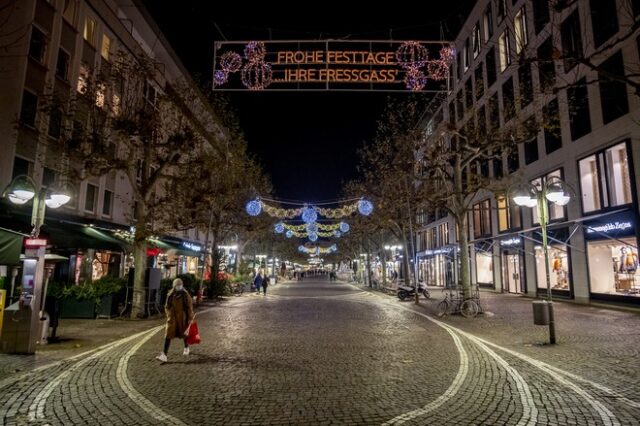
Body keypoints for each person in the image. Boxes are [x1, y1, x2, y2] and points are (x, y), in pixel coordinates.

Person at [156, 278, 194, 363]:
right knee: (168, 335)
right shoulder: (170, 295)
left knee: (184, 334)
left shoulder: (185, 295)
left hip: (182, 318)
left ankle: (186, 347)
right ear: (174, 286)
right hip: (172, 319)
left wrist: (190, 318)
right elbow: (166, 306)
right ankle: (164, 355)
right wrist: (169, 314)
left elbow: (189, 308)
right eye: (177, 285)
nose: (179, 287)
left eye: (180, 285)